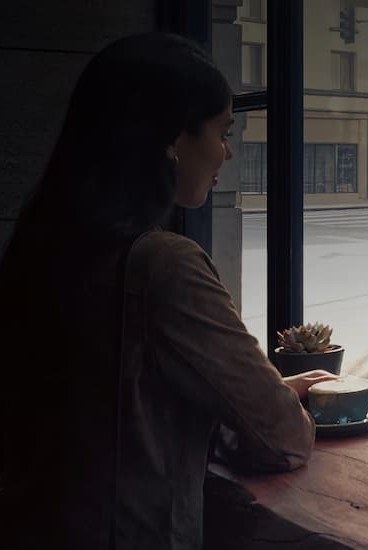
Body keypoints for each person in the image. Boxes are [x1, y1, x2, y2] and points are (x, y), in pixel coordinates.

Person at [0, 33, 337, 549]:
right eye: (223, 131)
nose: (226, 152)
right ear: (171, 139)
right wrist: (274, 403)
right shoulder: (162, 265)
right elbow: (284, 439)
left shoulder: (43, 243)